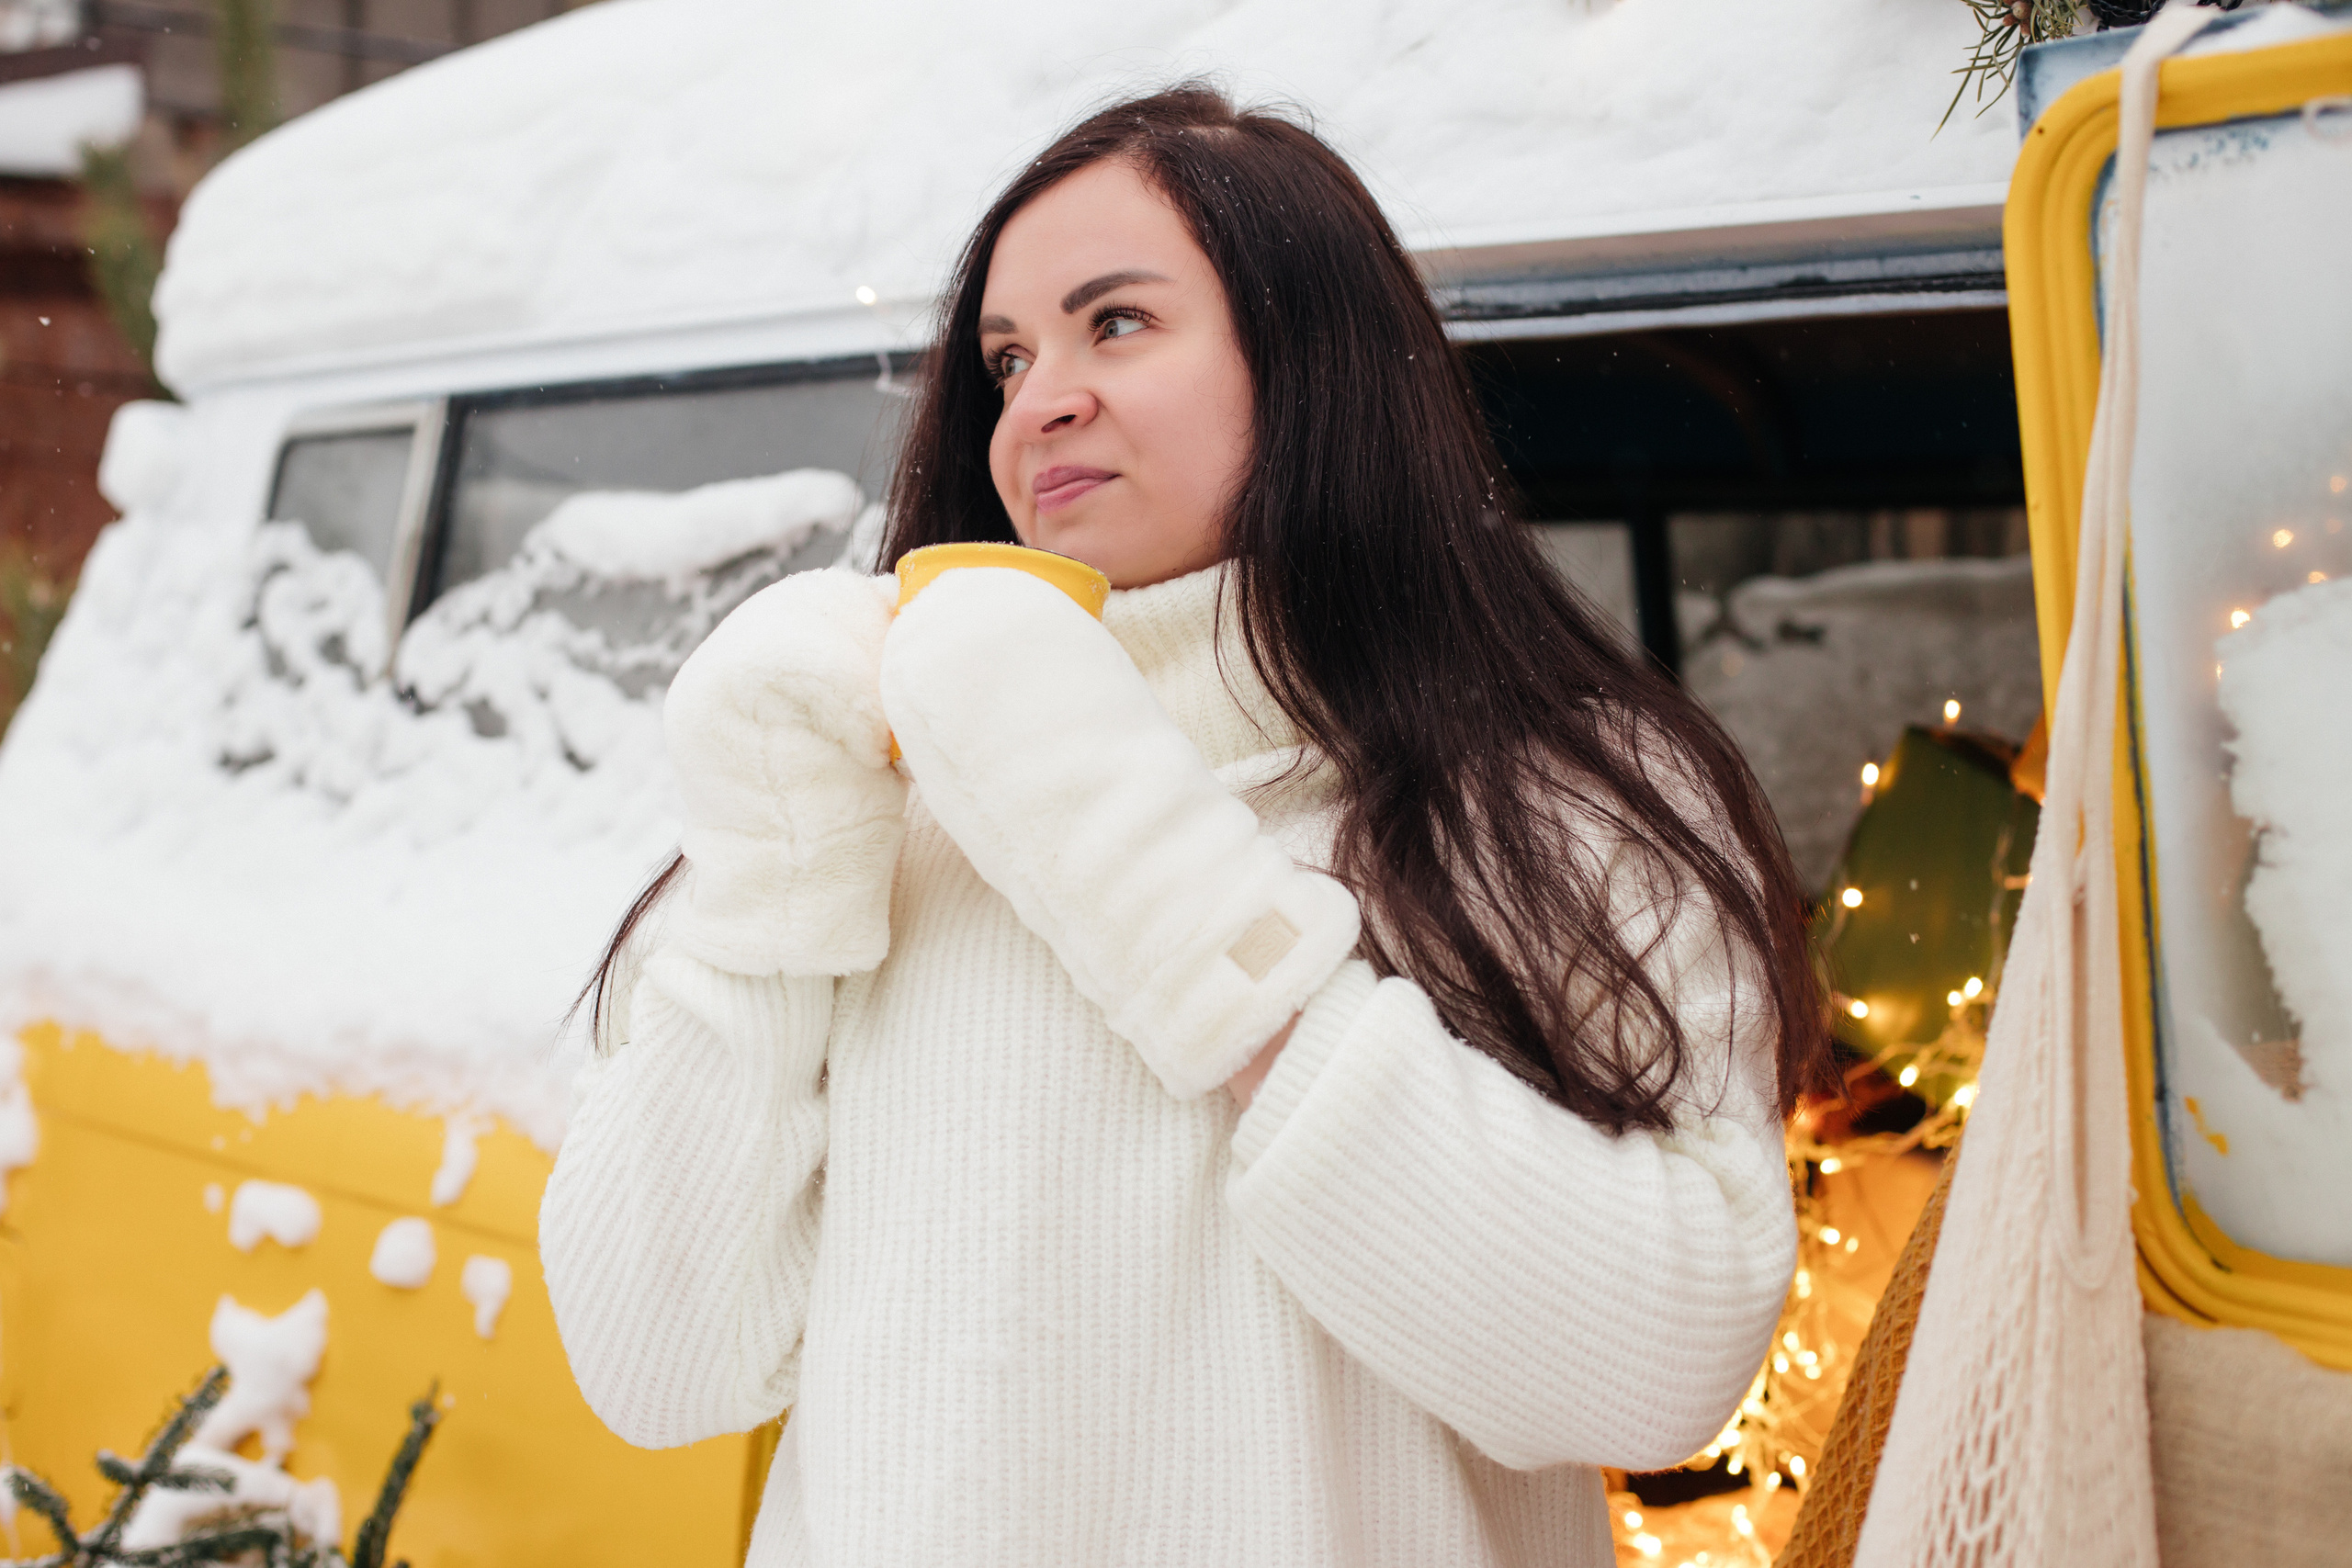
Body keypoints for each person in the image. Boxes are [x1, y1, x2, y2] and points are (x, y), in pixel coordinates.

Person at [539, 83, 1832, 1567]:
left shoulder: (1561, 796)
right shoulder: (874, 800)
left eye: (1119, 323)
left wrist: (1125, 846)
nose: (1040, 399)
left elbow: (1654, 1368)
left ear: (1316, 365)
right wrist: (773, 863)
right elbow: (656, 1363)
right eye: (1010, 357)